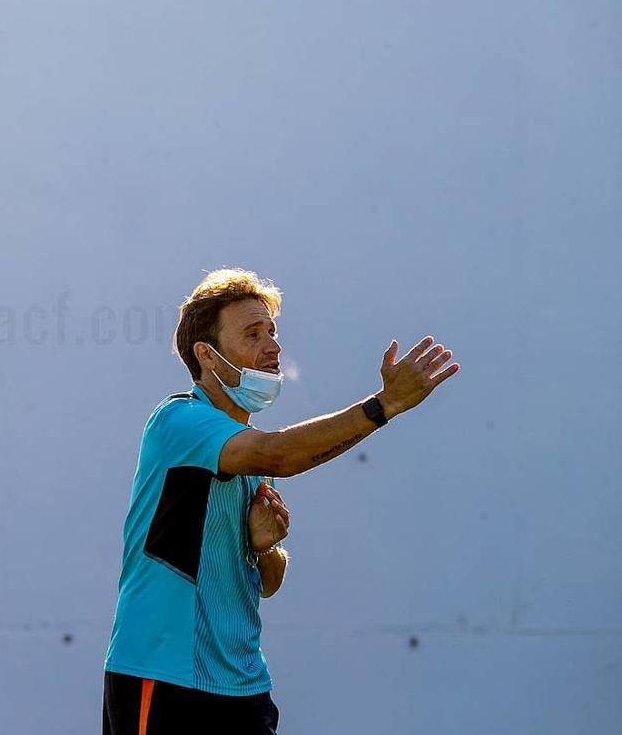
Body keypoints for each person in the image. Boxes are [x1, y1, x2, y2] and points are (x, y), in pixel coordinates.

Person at [102, 268, 460, 734]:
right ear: (207, 356)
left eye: (272, 332)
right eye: (253, 334)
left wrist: (265, 547)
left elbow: (266, 582)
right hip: (164, 677)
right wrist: (383, 405)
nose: (272, 347)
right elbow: (281, 455)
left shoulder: (242, 446)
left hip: (242, 687)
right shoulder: (180, 421)